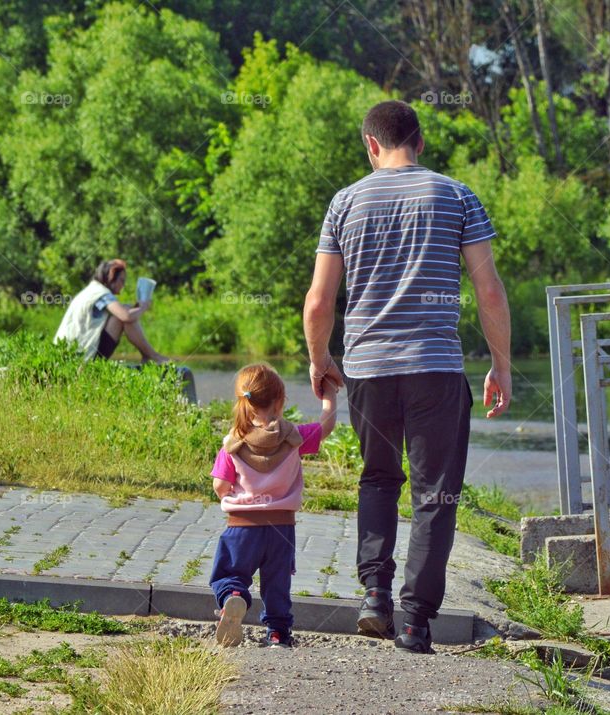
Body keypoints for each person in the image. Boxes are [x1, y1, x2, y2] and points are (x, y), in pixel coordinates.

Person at [303, 100, 512, 654]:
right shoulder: (457, 195)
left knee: (376, 479)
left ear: (371, 145)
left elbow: (321, 298)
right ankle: (417, 621)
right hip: (436, 368)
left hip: (369, 369)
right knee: (435, 494)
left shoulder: (344, 202)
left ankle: (375, 596)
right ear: (420, 142)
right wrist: (501, 365)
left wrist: (320, 358)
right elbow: (489, 291)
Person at [209, 363, 338, 648]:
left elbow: (220, 486)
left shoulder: (232, 443)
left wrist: (231, 494)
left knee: (229, 574)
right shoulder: (295, 436)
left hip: (242, 527)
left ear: (243, 401)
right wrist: (329, 392)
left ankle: (234, 598)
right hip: (281, 526)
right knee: (277, 583)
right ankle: (278, 633)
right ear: (279, 402)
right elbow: (327, 424)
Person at [54, 258, 168, 363]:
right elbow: (126, 316)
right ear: (111, 276)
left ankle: (149, 356)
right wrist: (144, 307)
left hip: (70, 356)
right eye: (121, 281)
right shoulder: (100, 293)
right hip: (81, 359)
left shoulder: (92, 290)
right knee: (124, 314)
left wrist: (135, 309)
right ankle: (153, 356)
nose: (122, 286)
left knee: (125, 310)